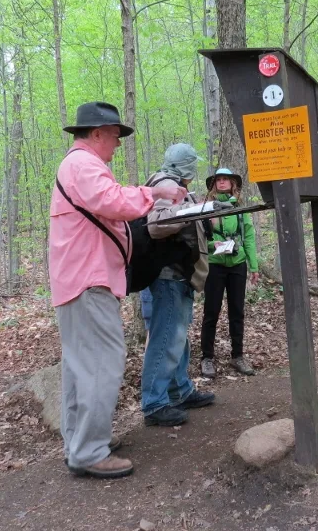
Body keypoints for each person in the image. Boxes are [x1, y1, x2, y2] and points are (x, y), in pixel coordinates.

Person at [49, 102, 186, 479]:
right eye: (114, 136)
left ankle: (81, 444)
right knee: (101, 362)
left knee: (81, 368)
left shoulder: (78, 164)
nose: (117, 144)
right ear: (96, 134)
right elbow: (111, 201)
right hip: (88, 280)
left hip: (79, 279)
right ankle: (90, 451)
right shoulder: (83, 164)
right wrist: (155, 194)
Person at [141, 144, 217, 427]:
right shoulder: (167, 185)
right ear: (184, 165)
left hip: (179, 273)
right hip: (169, 274)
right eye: (192, 163)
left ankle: (179, 390)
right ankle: (154, 403)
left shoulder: (173, 185)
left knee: (177, 338)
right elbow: (157, 225)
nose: (195, 169)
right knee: (165, 339)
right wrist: (193, 208)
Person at [199, 168, 259, 379]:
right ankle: (206, 358)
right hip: (214, 264)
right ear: (213, 184)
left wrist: (253, 266)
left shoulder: (240, 209)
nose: (222, 182)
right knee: (211, 312)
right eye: (218, 179)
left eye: (226, 179)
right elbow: (197, 237)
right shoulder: (206, 208)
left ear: (233, 183)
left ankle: (238, 356)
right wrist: (211, 243)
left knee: (237, 311)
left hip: (237, 263)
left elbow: (248, 237)